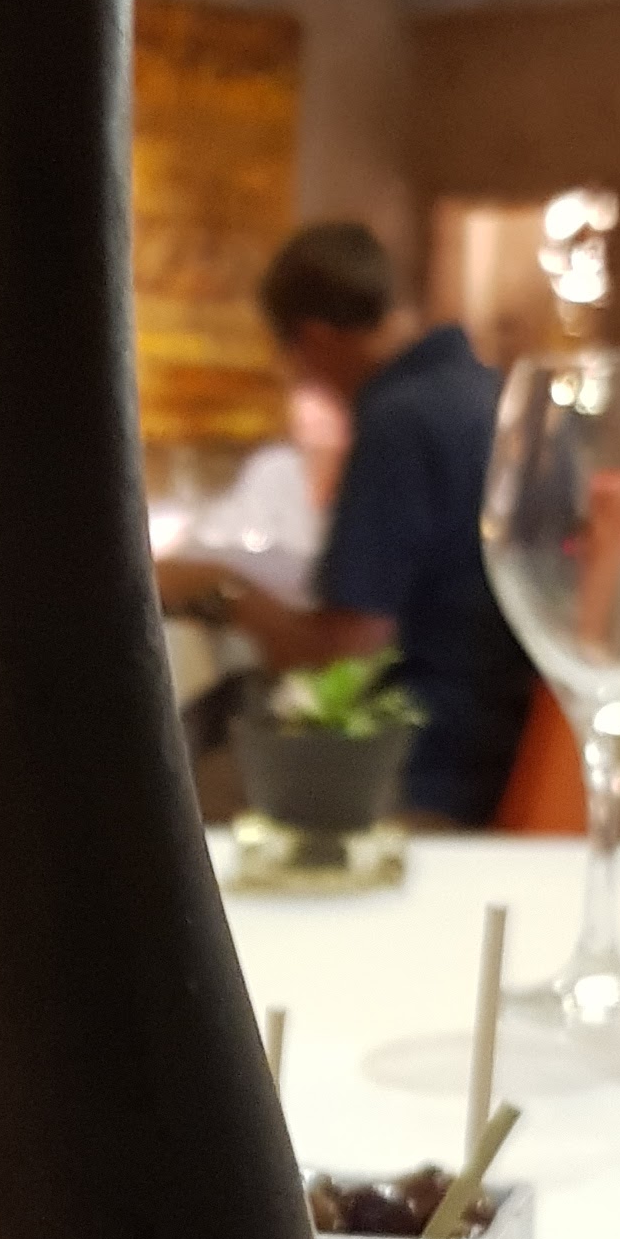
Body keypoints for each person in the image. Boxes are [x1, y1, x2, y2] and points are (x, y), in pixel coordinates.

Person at [155, 220, 535, 825]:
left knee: (169, 789)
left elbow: (344, 662)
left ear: (314, 339)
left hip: (418, 773)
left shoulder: (399, 420)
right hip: (501, 754)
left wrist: (217, 590)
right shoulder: (487, 394)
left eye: (294, 358)